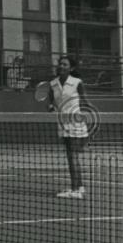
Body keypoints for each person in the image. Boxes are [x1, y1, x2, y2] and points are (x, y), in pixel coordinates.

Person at [47, 55, 89, 199]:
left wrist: (88, 116)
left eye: (65, 64)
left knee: (72, 157)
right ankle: (80, 186)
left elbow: (85, 101)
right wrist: (51, 106)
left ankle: (75, 189)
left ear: (71, 68)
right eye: (60, 64)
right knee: (72, 156)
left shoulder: (77, 82)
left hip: (76, 123)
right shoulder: (53, 84)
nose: (61, 66)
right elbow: (52, 102)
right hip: (62, 124)